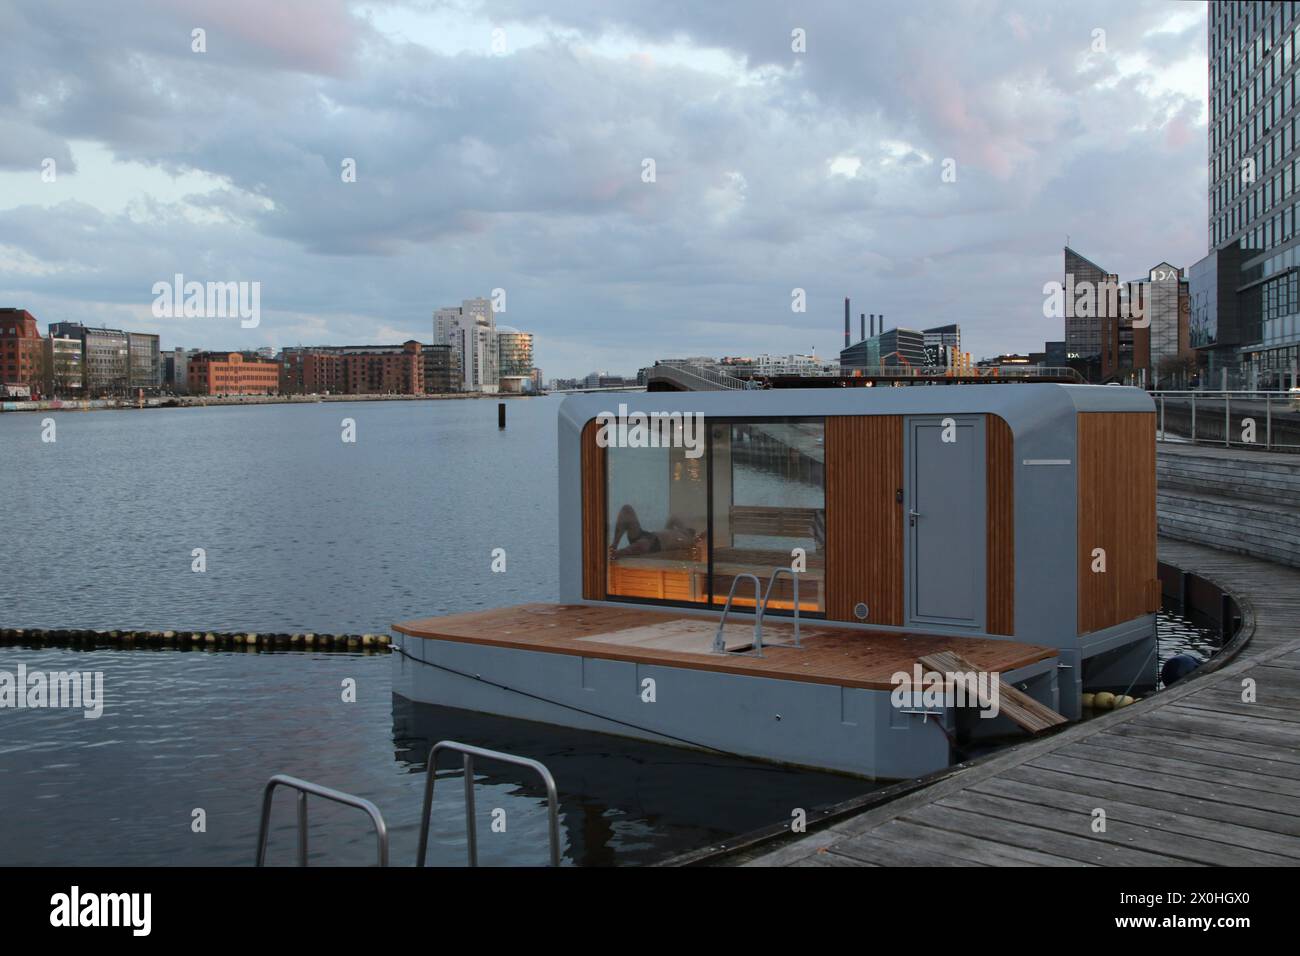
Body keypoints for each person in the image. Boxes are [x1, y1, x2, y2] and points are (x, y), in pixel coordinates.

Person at [610, 505, 697, 557]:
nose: (690, 530)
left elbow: (699, 538)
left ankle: (617, 553)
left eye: (691, 531)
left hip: (655, 544)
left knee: (643, 544)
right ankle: (614, 545)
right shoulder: (672, 530)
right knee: (627, 509)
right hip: (646, 535)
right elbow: (673, 518)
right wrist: (683, 529)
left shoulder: (689, 541)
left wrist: (689, 535)